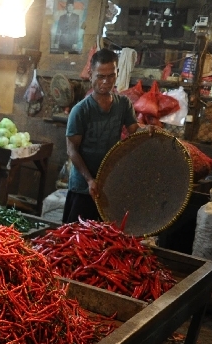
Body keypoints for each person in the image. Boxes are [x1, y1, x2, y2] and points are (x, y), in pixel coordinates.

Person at [63, 48, 150, 223]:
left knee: (104, 239)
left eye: (111, 76)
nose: (105, 81)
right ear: (90, 74)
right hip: (83, 187)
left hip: (109, 183)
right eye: (100, 76)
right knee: (73, 238)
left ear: (117, 74)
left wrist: (147, 129)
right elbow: (72, 150)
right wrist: (89, 180)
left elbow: (134, 130)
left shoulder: (123, 104)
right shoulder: (80, 111)